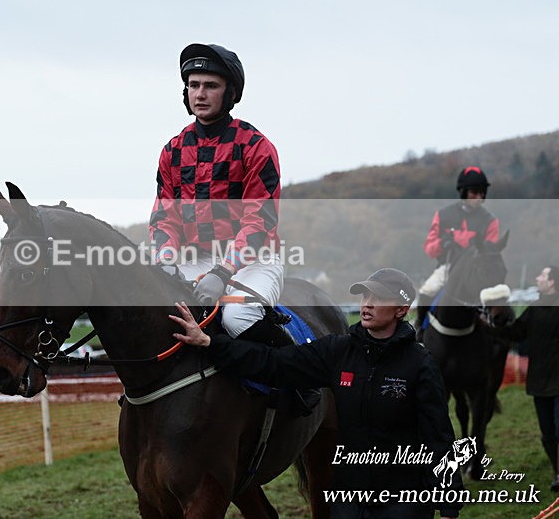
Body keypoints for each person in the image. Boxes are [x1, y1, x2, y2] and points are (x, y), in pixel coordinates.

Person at [170, 268, 462, 519]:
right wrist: (210, 343)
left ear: (401, 309)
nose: (368, 304)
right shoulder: (337, 351)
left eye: (379, 299)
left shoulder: (420, 364)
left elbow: (438, 436)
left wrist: (449, 505)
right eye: (365, 296)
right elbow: (274, 363)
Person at [149, 43, 285, 344]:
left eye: (211, 86)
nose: (200, 94)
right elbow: (164, 219)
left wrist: (223, 272)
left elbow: (259, 222)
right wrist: (166, 261)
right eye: (193, 85)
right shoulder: (172, 150)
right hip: (194, 258)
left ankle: (294, 369)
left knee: (238, 317)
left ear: (231, 93)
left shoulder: (256, 146)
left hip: (254, 261)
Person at [492, 265, 559, 492]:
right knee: (548, 432)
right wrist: (497, 322)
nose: (538, 278)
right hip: (539, 381)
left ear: (552, 282)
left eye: (543, 275)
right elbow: (517, 333)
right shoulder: (534, 309)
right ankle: (557, 471)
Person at [418, 166, 500, 329]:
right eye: (474, 192)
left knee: (498, 299)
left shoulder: (490, 220)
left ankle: (497, 333)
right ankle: (420, 328)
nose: (479, 197)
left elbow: (491, 250)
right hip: (449, 266)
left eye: (482, 193)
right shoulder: (443, 215)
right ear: (463, 192)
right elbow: (429, 248)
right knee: (427, 290)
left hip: (478, 269)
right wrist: (443, 244)